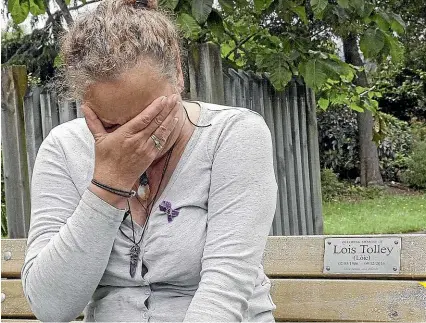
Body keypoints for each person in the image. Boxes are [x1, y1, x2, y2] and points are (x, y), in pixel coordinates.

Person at [20, 0, 278, 321]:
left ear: (179, 75)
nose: (136, 141)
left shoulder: (234, 135)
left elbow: (225, 289)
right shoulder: (63, 149)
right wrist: (108, 186)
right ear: (83, 101)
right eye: (112, 126)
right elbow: (50, 307)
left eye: (151, 118)